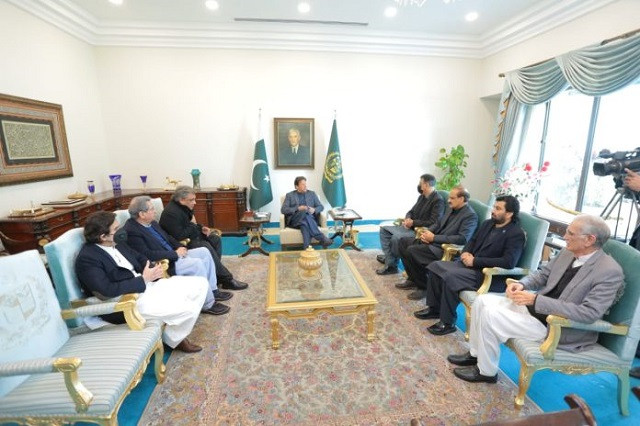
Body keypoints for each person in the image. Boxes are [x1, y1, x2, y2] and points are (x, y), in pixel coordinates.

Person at [448, 214, 624, 383]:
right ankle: (475, 355)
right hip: (535, 311)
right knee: (482, 300)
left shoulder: (609, 271)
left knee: (491, 315)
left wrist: (535, 300)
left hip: (555, 327)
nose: (564, 236)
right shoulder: (568, 252)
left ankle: (486, 372)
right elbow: (543, 275)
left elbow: (589, 313)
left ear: (589, 240)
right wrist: (522, 284)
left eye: (570, 233)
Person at [75, 211, 208, 353]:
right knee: (187, 309)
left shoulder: (117, 243)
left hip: (146, 286)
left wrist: (152, 268)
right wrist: (143, 279)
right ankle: (176, 340)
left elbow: (139, 257)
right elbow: (105, 290)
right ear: (103, 236)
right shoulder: (87, 258)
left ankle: (172, 335)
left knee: (200, 284)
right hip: (127, 301)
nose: (121, 232)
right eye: (116, 229)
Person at [416, 195, 525, 336]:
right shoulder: (488, 224)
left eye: (498, 209)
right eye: (494, 207)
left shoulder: (516, 234)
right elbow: (472, 241)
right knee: (436, 266)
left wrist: (475, 261)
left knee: (451, 277)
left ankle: (448, 323)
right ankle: (434, 309)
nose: (493, 211)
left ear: (509, 214)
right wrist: (466, 253)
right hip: (470, 265)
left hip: (488, 275)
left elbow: (509, 262)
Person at [122, 196, 231, 315]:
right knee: (197, 264)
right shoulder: (132, 231)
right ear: (142, 214)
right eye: (152, 209)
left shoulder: (151, 222)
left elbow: (167, 237)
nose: (155, 211)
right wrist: (175, 254)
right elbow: (148, 254)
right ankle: (207, 304)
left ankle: (213, 290)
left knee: (204, 251)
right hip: (166, 262)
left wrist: (179, 246)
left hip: (175, 254)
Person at [159, 186, 249, 291]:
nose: (195, 202)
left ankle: (215, 274)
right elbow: (179, 235)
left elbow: (189, 225)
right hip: (180, 243)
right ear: (181, 200)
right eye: (191, 200)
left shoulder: (182, 207)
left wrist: (201, 227)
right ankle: (226, 279)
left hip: (191, 236)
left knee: (215, 239)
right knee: (205, 246)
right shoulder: (171, 213)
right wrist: (194, 226)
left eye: (195, 199)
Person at [397, 186, 478, 301]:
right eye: (449, 197)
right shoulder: (451, 208)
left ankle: (423, 286)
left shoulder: (470, 216)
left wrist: (434, 238)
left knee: (412, 251)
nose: (449, 200)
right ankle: (413, 279)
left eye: (452, 198)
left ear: (462, 199)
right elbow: (438, 224)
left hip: (443, 249)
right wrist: (428, 232)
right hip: (433, 241)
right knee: (403, 242)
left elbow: (462, 239)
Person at [376, 174, 445, 275]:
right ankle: (390, 258)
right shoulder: (422, 197)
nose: (419, 186)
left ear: (426, 185)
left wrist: (413, 222)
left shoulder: (438, 200)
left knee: (396, 238)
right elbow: (411, 211)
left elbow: (433, 222)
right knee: (384, 231)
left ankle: (391, 264)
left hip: (419, 231)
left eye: (420, 183)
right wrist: (408, 218)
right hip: (410, 226)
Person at [281, 176, 333, 249]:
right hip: (295, 220)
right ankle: (321, 237)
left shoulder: (312, 194)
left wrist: (314, 210)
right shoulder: (290, 195)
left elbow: (321, 207)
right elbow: (283, 209)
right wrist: (298, 208)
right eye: (302, 184)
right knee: (305, 212)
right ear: (296, 186)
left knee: (304, 224)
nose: (305, 186)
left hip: (306, 220)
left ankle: (307, 247)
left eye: (305, 184)